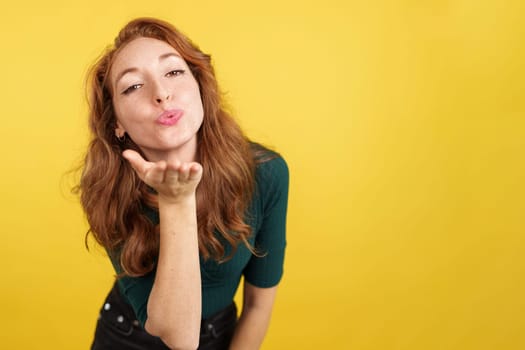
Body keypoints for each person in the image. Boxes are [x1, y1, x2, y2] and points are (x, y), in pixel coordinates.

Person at [77, 17, 289, 350]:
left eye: (174, 72)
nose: (161, 94)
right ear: (117, 122)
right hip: (128, 337)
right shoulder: (108, 188)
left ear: (200, 84)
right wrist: (176, 200)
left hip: (222, 335)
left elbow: (259, 304)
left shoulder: (266, 173)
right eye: (133, 86)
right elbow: (179, 338)